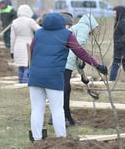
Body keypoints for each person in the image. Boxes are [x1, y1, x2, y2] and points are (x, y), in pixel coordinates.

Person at [28, 13, 108, 142]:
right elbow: (80, 52)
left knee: (37, 109)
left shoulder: (38, 34)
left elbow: (32, 51)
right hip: (54, 76)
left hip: (35, 76)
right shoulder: (66, 34)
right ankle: (61, 139)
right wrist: (97, 65)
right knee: (57, 109)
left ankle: (37, 139)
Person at [63, 13, 99, 126]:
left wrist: (83, 77)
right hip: (66, 63)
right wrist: (94, 64)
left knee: (64, 90)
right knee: (65, 90)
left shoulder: (77, 28)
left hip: (64, 61)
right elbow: (79, 49)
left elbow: (78, 55)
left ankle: (64, 117)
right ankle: (65, 118)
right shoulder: (84, 27)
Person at [10, 4, 41, 83]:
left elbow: (12, 38)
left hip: (17, 45)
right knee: (27, 66)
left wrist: (12, 51)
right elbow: (39, 30)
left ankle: (20, 81)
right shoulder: (30, 21)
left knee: (21, 67)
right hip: (28, 45)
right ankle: (25, 82)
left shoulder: (14, 22)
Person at [109, 5, 125, 82]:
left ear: (119, 13)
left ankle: (112, 80)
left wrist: (119, 43)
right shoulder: (119, 22)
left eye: (115, 13)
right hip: (120, 48)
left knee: (116, 65)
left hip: (123, 48)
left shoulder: (123, 23)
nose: (113, 14)